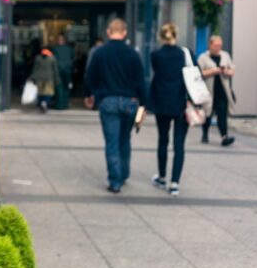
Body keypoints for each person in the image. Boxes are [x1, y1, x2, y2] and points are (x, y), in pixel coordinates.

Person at [85, 19, 146, 193]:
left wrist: (90, 95)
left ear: (108, 32)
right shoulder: (133, 54)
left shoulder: (100, 53)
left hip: (108, 101)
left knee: (111, 141)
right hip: (130, 102)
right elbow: (140, 81)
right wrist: (144, 103)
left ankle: (115, 180)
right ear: (125, 32)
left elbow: (90, 76)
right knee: (124, 138)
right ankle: (124, 173)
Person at [147, 23, 190, 196]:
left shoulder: (155, 55)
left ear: (160, 37)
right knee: (179, 144)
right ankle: (175, 183)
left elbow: (157, 73)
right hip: (181, 104)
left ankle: (162, 176)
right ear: (176, 35)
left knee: (163, 140)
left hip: (162, 103)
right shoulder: (184, 54)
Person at [198, 35, 236, 146]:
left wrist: (226, 71)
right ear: (210, 45)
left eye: (220, 45)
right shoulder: (203, 57)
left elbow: (232, 71)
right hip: (209, 91)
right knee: (207, 113)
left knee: (222, 114)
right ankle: (205, 134)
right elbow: (200, 73)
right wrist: (214, 71)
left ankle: (224, 136)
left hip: (222, 91)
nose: (218, 47)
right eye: (216, 45)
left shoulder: (225, 56)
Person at [29, 48, 59, 113]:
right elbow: (55, 70)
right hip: (49, 79)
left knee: (40, 92)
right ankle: (45, 103)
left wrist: (32, 77)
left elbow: (35, 69)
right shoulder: (52, 59)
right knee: (48, 93)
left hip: (39, 78)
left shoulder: (38, 58)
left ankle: (41, 104)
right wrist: (57, 80)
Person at [52, 35, 74, 110]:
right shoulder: (69, 49)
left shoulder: (54, 49)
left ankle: (59, 104)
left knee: (59, 87)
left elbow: (52, 60)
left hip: (58, 70)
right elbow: (73, 59)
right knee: (66, 87)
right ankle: (65, 103)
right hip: (67, 70)